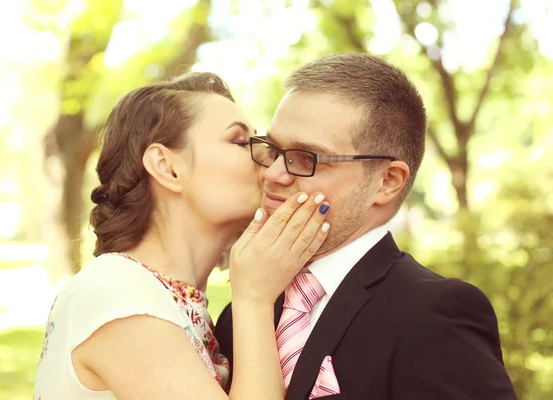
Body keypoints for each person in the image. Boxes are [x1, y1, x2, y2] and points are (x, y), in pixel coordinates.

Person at [215, 53, 518, 399]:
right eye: (271, 148)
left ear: (387, 181)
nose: (273, 174)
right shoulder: (241, 313)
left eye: (306, 158)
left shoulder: (434, 314)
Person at [33, 72, 333, 399]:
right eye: (241, 141)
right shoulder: (116, 293)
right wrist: (255, 300)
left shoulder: (160, 296)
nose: (268, 159)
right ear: (167, 167)